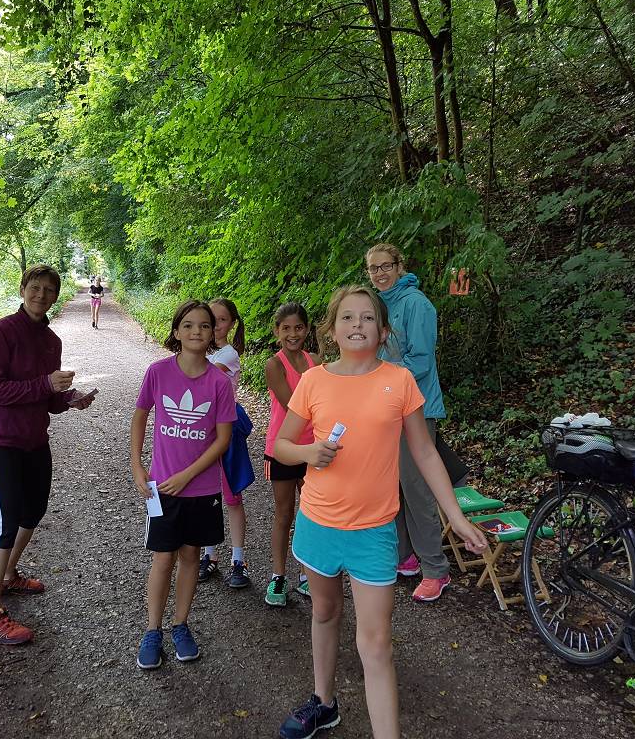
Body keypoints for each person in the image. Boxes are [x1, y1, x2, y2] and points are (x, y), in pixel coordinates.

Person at [273, 285, 487, 739]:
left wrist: (457, 517)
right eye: (347, 317)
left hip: (373, 532)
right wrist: (309, 452)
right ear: (331, 330)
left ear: (384, 330)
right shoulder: (314, 381)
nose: (358, 325)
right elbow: (282, 445)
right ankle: (323, 702)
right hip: (318, 524)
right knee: (324, 612)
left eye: (368, 318)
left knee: (376, 645)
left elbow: (425, 453)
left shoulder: (400, 381)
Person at [0, 265, 97, 645]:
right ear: (23, 288)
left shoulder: (51, 341)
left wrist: (69, 399)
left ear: (56, 296)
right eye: (35, 287)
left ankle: (8, 576)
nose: (41, 295)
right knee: (5, 523)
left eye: (49, 290)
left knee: (33, 511)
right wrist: (45, 384)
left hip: (33, 439)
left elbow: (47, 398)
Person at [131, 300, 236, 669]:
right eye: (188, 325)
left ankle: (180, 625)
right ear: (176, 331)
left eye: (205, 326)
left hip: (202, 490)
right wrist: (137, 465)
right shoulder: (158, 372)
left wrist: (188, 475)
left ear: (214, 333)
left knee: (191, 555)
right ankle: (152, 630)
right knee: (163, 558)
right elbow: (140, 416)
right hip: (162, 489)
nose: (196, 331)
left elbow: (223, 440)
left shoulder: (219, 382)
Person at [366, 242, 452, 602]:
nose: (380, 273)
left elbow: (421, 362)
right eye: (374, 268)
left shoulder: (417, 304)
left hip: (416, 409)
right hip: (384, 409)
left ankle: (436, 570)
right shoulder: (376, 305)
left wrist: (378, 374)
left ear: (399, 266)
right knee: (390, 486)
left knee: (417, 490)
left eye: (386, 266)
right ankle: (405, 558)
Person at [263, 302, 317, 607]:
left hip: (312, 449)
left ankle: (307, 574)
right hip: (281, 448)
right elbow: (294, 406)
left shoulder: (316, 361)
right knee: (284, 514)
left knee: (310, 513)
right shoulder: (274, 365)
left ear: (306, 330)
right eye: (286, 328)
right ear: (277, 331)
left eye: (298, 327)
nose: (292, 334)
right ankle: (278, 576)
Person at [198, 297, 251, 588]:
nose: (216, 325)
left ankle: (238, 560)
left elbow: (201, 379)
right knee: (208, 495)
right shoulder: (203, 352)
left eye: (222, 320)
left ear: (231, 324)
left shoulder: (228, 354)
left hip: (226, 431)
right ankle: (210, 554)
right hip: (203, 432)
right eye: (212, 319)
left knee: (231, 497)